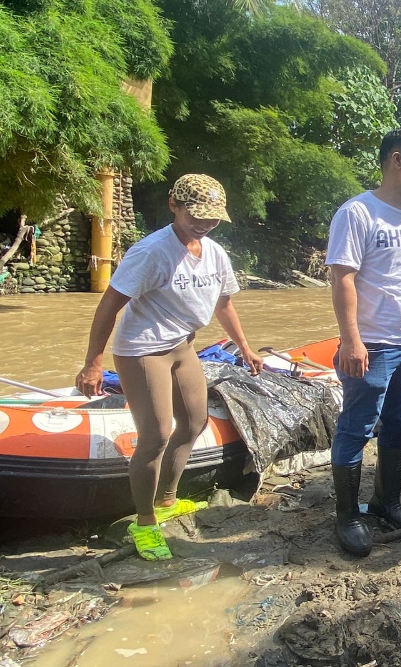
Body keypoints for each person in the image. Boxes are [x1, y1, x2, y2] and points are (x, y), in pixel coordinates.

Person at [75, 174, 264, 561]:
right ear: (173, 206)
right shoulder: (151, 252)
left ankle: (165, 501)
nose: (204, 223)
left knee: (194, 422)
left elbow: (223, 303)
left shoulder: (213, 252)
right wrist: (93, 362)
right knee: (156, 434)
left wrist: (245, 347)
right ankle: (144, 524)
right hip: (143, 350)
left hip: (183, 346)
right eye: (196, 215)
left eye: (212, 218)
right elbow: (109, 306)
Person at [325, 129, 401, 557]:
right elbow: (341, 277)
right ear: (398, 160)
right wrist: (351, 341)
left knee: (400, 425)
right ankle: (346, 516)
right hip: (373, 344)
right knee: (356, 428)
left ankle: (386, 502)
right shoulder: (358, 212)